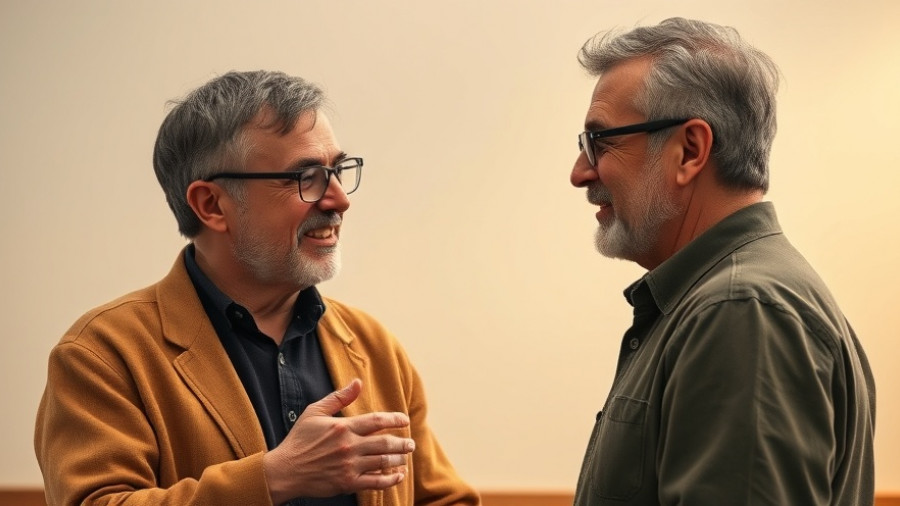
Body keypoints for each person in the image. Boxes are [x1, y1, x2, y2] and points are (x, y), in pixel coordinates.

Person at [35, 70, 479, 506]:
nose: (340, 198)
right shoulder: (101, 354)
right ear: (212, 205)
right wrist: (273, 478)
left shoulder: (372, 344)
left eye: (338, 169)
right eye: (306, 177)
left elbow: (443, 498)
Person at [568, 18, 875, 506]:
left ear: (690, 149)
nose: (580, 172)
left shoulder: (741, 310)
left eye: (600, 141)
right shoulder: (727, 302)